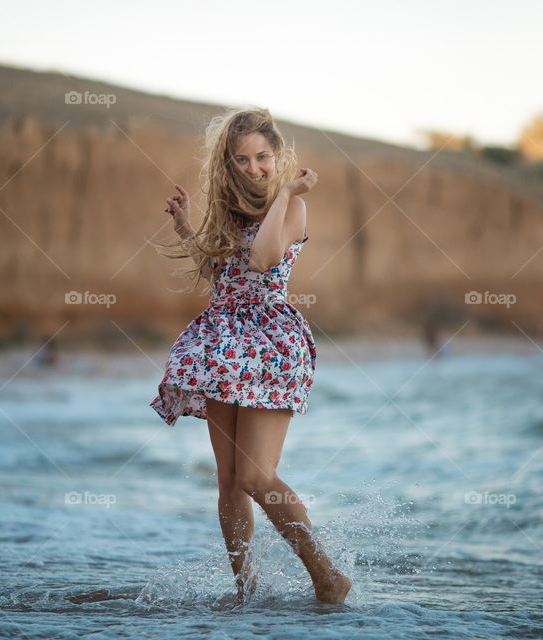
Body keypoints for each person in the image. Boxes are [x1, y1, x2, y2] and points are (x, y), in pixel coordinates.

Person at [149, 107, 352, 605]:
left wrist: (285, 194)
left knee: (255, 475)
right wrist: (186, 228)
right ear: (227, 163)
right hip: (222, 342)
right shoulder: (226, 209)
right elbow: (222, 270)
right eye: (242, 160)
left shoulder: (294, 207)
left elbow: (262, 262)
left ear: (277, 156)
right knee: (228, 482)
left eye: (263, 157)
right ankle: (246, 591)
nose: (255, 167)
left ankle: (327, 576)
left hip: (270, 344)